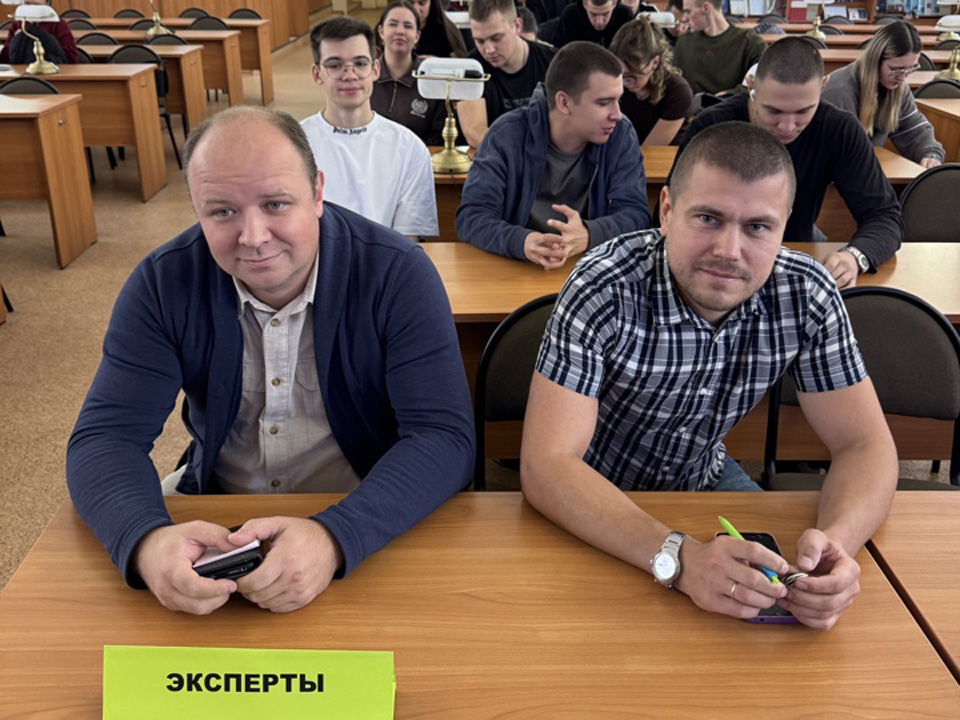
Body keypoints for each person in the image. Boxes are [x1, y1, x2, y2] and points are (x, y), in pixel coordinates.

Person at [66, 106, 475, 616]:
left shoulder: (398, 274)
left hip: (367, 509)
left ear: (318, 192)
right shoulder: (162, 282)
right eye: (222, 212)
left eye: (276, 204)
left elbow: (444, 436)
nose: (253, 236)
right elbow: (105, 438)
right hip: (221, 513)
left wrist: (335, 536)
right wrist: (145, 541)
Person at [521, 120, 897, 631]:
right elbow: (547, 465)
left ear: (784, 228)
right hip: (593, 496)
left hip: (704, 478)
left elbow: (865, 445)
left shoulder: (807, 294)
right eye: (708, 218)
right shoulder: (603, 285)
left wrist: (837, 544)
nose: (729, 250)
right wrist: (678, 557)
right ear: (667, 212)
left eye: (757, 227)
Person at [674, 36, 902, 289]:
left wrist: (855, 257)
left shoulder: (839, 129)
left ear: (823, 87)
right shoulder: (711, 126)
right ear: (751, 86)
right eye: (773, 111)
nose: (787, 127)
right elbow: (673, 211)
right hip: (716, 264)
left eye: (803, 111)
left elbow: (884, 216)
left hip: (793, 263)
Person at [455, 42, 651, 268]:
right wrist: (521, 241)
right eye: (604, 103)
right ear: (564, 103)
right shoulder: (506, 134)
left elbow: (636, 214)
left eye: (618, 100)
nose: (617, 114)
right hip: (518, 267)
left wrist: (589, 234)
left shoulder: (620, 134)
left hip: (590, 267)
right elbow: (471, 217)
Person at [301, 17, 439, 239]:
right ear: (317, 74)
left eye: (360, 63)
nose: (350, 75)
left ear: (375, 69)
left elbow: (408, 241)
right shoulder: (296, 144)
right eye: (335, 65)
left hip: (387, 259)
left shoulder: (409, 148)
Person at [821, 21, 943, 169]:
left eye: (910, 69)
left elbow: (913, 128)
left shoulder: (897, 88)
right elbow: (833, 155)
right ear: (875, 60)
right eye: (896, 69)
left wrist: (930, 154)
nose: (902, 78)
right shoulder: (839, 92)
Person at [457, 0, 557, 148]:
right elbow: (474, 133)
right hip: (498, 157)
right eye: (480, 41)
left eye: (496, 38)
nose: (489, 50)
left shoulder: (552, 62)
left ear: (517, 26)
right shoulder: (471, 68)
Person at [372, 1, 447, 146]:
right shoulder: (364, 76)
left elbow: (439, 137)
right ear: (381, 32)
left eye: (408, 26)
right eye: (393, 24)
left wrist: (406, 153)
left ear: (417, 36)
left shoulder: (432, 78)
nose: (400, 31)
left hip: (418, 157)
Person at [610, 17, 693, 145]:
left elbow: (651, 148)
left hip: (661, 155)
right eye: (619, 75)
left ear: (654, 62)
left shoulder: (678, 92)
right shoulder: (615, 83)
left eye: (631, 76)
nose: (624, 84)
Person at [674, 0, 765, 95]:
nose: (684, 19)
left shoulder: (751, 44)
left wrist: (728, 95)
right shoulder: (684, 42)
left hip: (733, 104)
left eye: (688, 12)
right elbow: (674, 82)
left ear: (706, 8)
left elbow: (761, 84)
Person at [0, 0, 78, 64]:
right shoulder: (18, 24)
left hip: (52, 70)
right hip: (21, 72)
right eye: (27, 4)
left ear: (47, 3)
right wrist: (16, 40)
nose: (31, 9)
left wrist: (49, 42)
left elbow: (71, 58)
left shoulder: (58, 24)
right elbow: (5, 58)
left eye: (36, 5)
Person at [553, 0, 635, 48]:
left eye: (605, 14)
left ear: (614, 3)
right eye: (593, 14)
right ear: (585, 3)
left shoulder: (625, 17)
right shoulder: (570, 17)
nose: (599, 22)